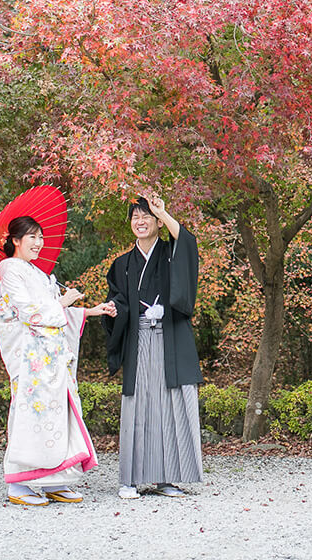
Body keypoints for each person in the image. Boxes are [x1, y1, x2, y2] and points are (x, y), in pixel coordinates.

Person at [0, 215, 113, 507]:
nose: (38, 243)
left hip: (51, 358)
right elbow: (25, 311)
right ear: (15, 241)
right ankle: (20, 483)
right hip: (31, 360)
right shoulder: (11, 272)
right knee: (30, 416)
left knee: (59, 415)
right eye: (31, 237)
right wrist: (62, 302)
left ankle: (54, 480)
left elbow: (54, 313)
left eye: (40, 237)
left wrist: (89, 311)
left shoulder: (38, 273)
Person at [100, 195, 204, 499]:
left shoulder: (171, 252)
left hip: (169, 335)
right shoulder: (122, 264)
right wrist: (114, 309)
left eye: (146, 216)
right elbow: (120, 298)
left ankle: (166, 478)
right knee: (138, 408)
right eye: (135, 217)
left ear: (158, 222)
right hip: (139, 339)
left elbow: (188, 243)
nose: (140, 221)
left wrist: (164, 211)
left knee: (170, 404)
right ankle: (129, 480)